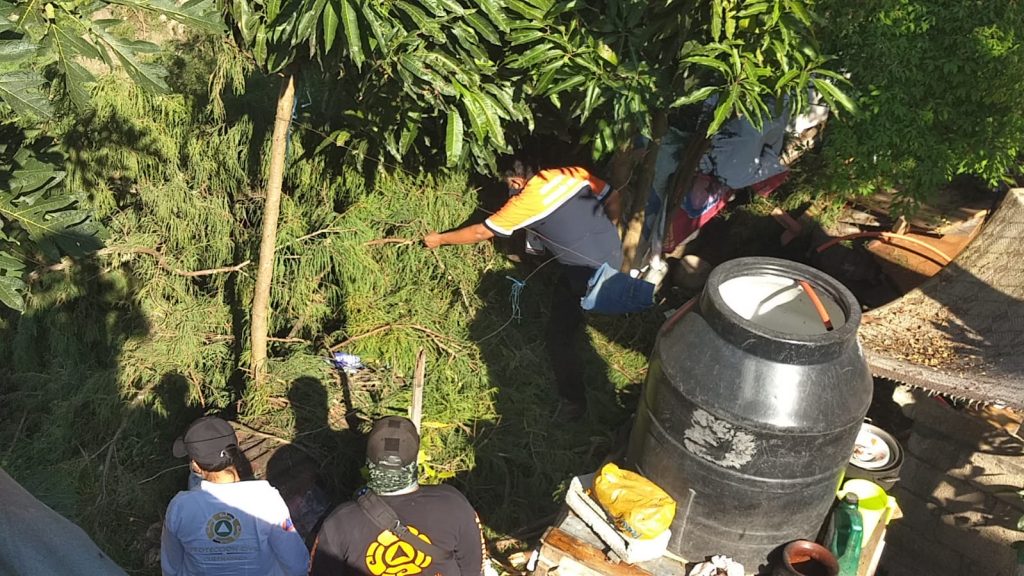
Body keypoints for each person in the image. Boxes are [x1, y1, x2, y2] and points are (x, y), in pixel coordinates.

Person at [424, 162, 623, 419]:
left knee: (559, 335)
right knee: (565, 280)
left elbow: (481, 232)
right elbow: (613, 197)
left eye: (510, 187)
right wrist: (609, 231)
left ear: (517, 182)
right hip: (614, 253)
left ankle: (573, 402)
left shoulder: (526, 201)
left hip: (588, 276)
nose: (510, 193)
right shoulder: (571, 174)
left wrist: (440, 239)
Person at [309, 416, 485, 576]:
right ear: (415, 462)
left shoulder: (339, 522)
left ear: (368, 463)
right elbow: (474, 568)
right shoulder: (453, 503)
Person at [161, 416, 309, 576]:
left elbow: (171, 568)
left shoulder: (179, 507)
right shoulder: (266, 498)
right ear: (236, 448)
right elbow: (296, 564)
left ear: (196, 465)